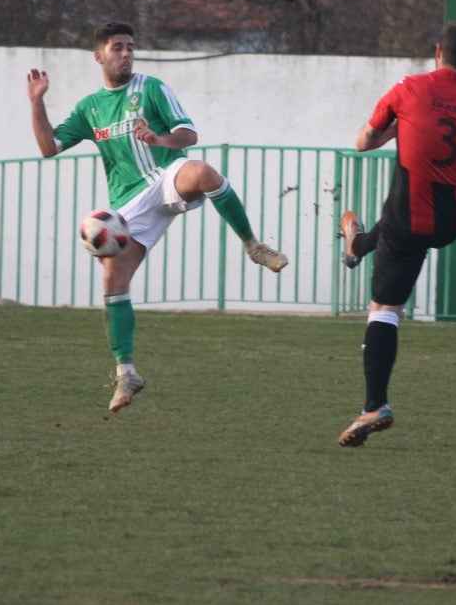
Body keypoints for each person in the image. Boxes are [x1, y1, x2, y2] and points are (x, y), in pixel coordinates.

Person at [28, 20, 289, 412]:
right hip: (129, 204)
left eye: (130, 47)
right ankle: (126, 373)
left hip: (166, 174)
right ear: (99, 57)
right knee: (113, 280)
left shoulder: (152, 88)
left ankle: (253, 246)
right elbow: (49, 147)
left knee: (203, 172)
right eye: (118, 47)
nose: (126, 54)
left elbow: (189, 134)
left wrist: (160, 139)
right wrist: (37, 101)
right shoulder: (89, 108)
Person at [337, 20, 456, 447]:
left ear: (437, 51)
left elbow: (363, 142)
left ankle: (375, 404)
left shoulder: (408, 89)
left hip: (409, 218)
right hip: (453, 222)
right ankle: (358, 244)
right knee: (401, 221)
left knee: (384, 309)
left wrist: (398, 128)